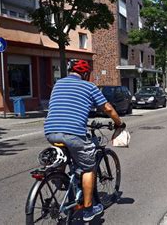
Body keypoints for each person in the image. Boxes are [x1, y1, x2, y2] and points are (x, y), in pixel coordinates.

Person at [44, 59, 125, 222]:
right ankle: (88, 209)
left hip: (50, 131)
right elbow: (107, 108)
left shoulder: (58, 84)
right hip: (72, 133)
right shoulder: (89, 87)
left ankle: (59, 179)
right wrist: (119, 123)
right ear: (86, 74)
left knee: (65, 154)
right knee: (88, 167)